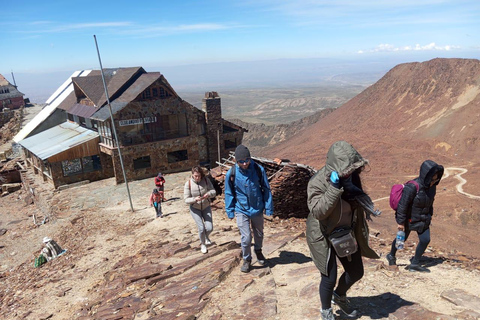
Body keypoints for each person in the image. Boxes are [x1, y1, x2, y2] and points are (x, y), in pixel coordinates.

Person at [306, 141, 380, 320]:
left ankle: (339, 295)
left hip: (345, 231)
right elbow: (318, 211)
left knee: (356, 272)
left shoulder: (352, 178)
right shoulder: (317, 183)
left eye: (352, 168)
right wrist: (333, 189)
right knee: (329, 277)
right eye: (346, 169)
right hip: (323, 233)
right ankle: (326, 311)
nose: (349, 172)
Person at [386, 160, 444, 272]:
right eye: (432, 179)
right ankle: (391, 255)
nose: (434, 181)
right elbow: (403, 205)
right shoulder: (412, 187)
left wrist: (429, 215)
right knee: (401, 239)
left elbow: (430, 202)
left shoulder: (432, 187)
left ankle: (415, 264)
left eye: (436, 179)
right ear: (426, 176)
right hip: (409, 219)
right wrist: (401, 223)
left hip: (423, 219)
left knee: (425, 239)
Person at [224, 145, 274, 273]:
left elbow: (266, 189)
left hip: (257, 208)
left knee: (259, 233)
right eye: (241, 161)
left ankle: (258, 251)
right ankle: (247, 259)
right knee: (246, 237)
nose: (245, 163)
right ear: (236, 161)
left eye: (247, 160)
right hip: (241, 209)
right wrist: (229, 210)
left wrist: (268, 208)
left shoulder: (258, 170)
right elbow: (229, 193)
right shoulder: (232, 173)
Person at [184, 166, 217, 254]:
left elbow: (214, 192)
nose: (197, 178)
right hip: (195, 208)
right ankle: (203, 244)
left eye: (199, 176)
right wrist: (194, 199)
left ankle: (206, 237)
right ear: (192, 175)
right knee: (201, 228)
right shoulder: (188, 184)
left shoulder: (206, 180)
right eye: (195, 176)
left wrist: (208, 194)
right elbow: (186, 199)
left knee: (210, 228)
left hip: (206, 206)